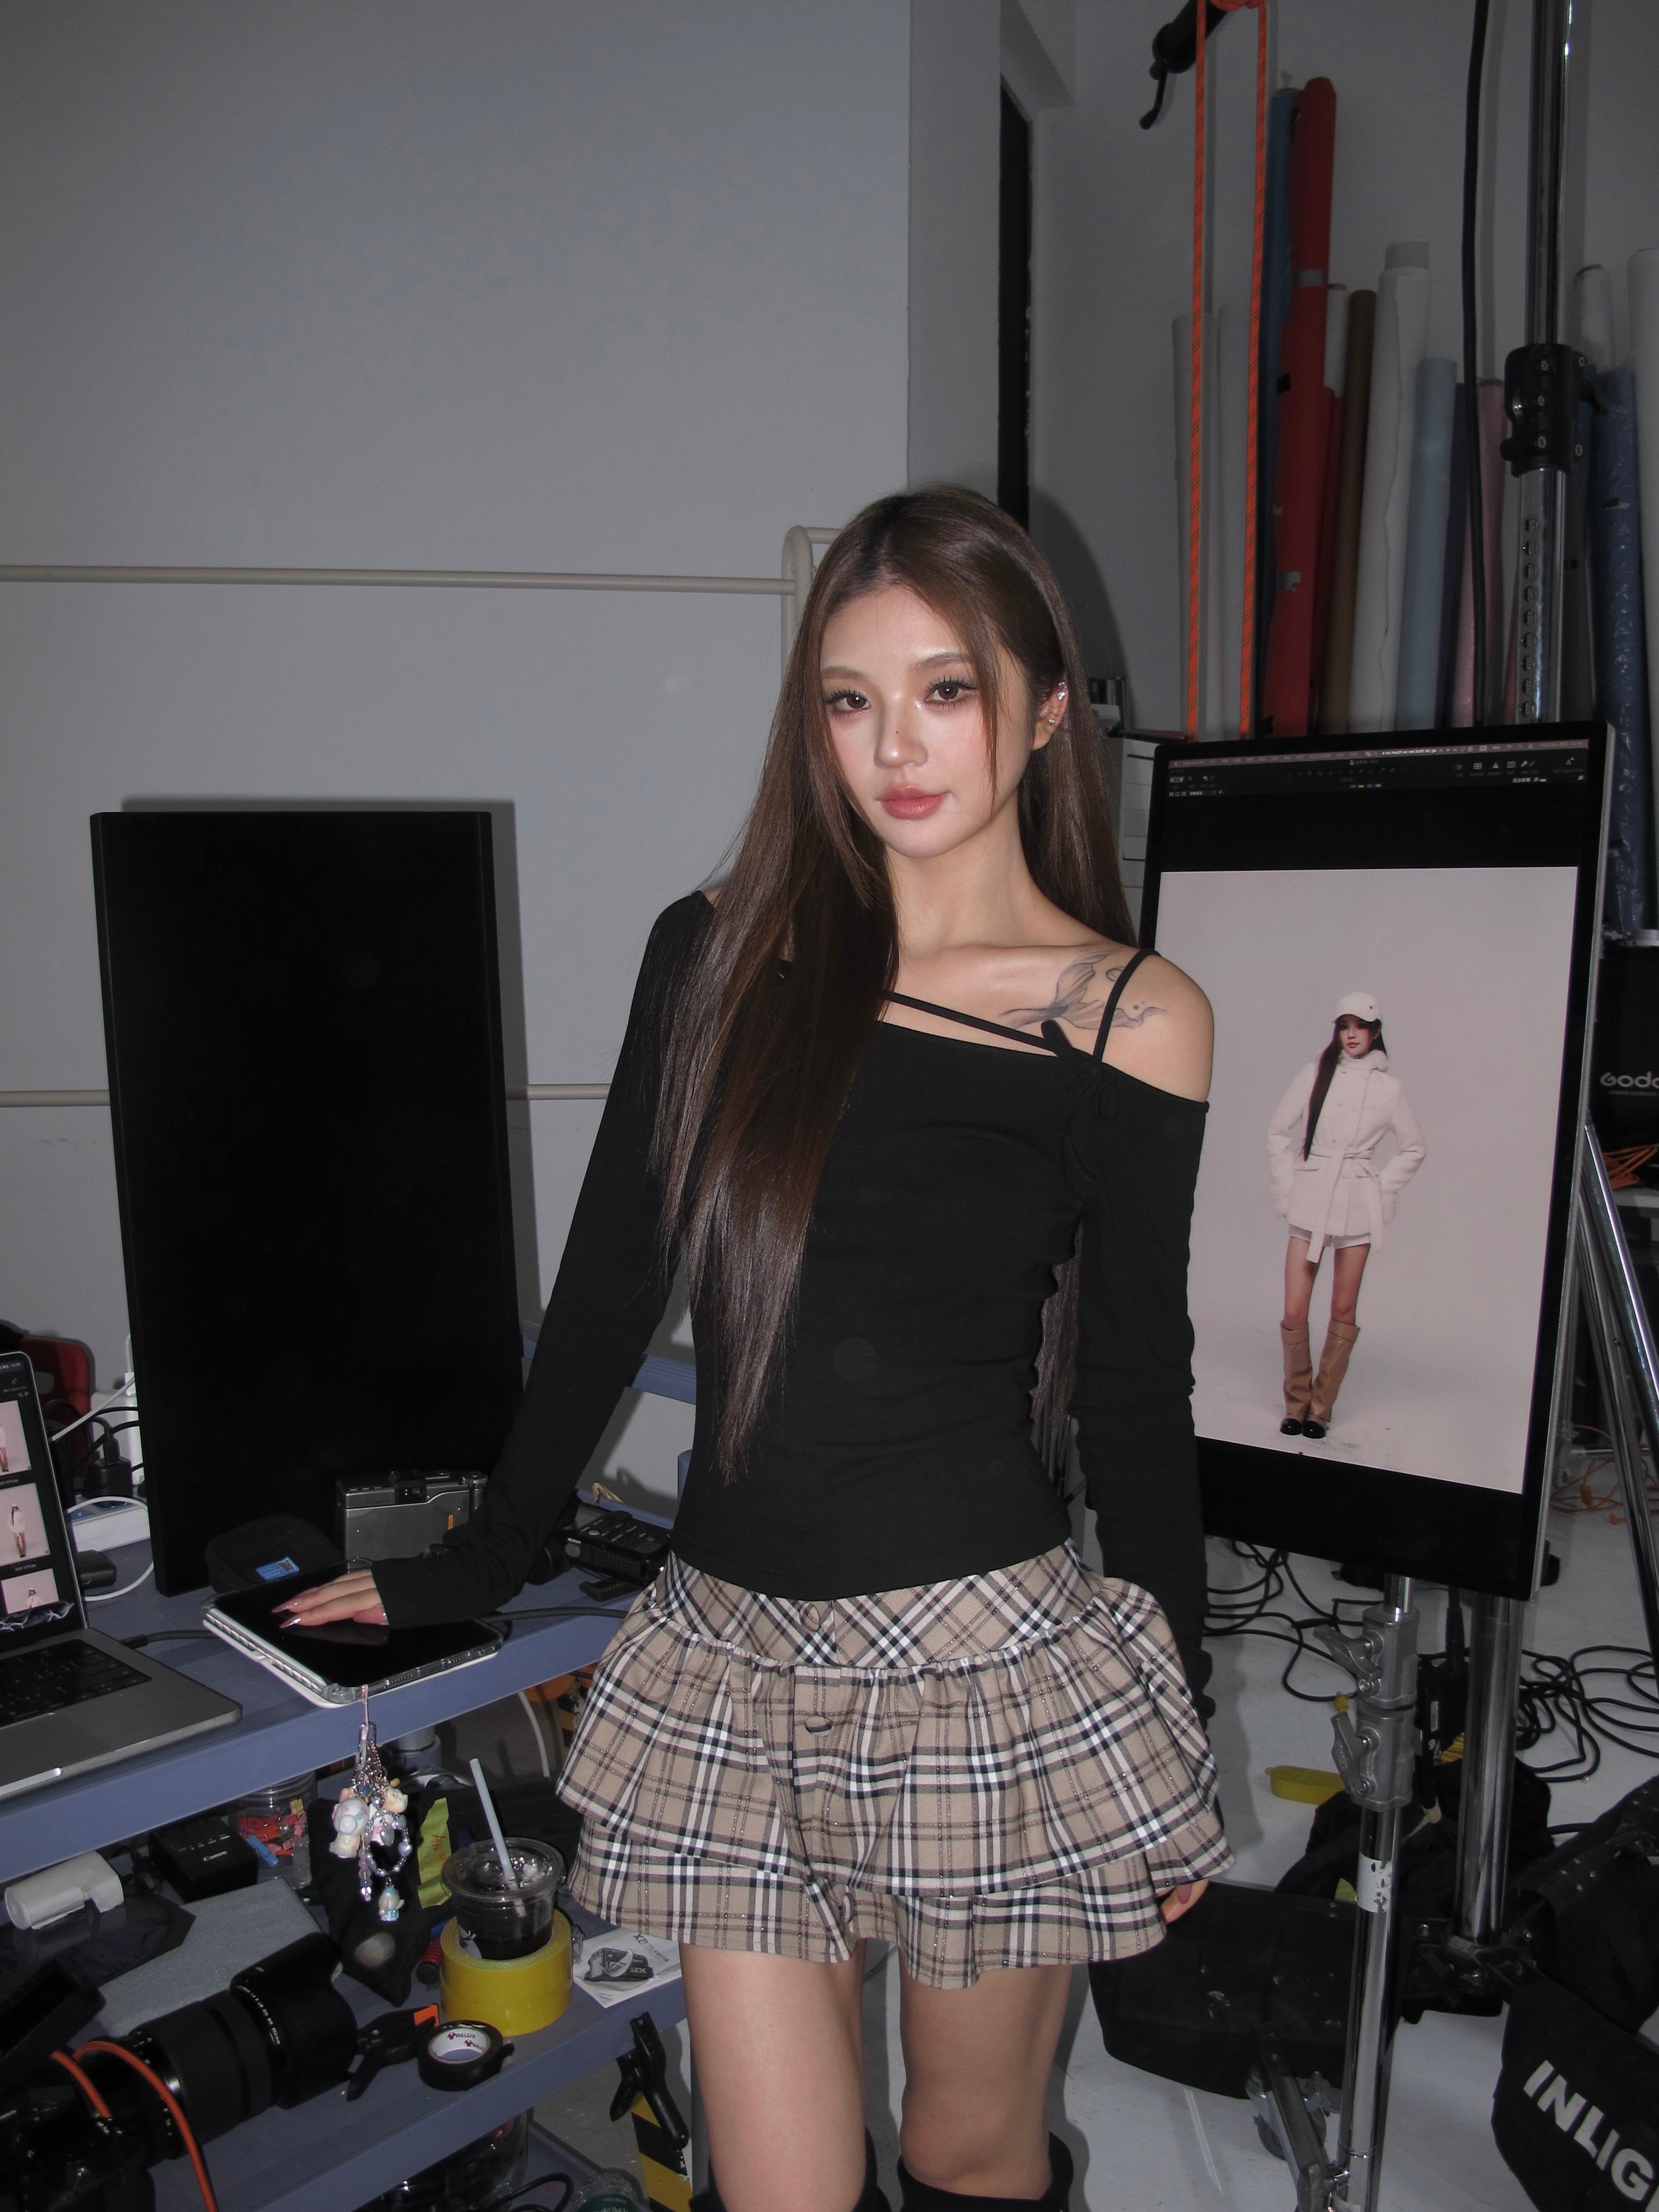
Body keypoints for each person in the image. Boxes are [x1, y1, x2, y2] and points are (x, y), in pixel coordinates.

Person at [282, 489, 1228, 2212]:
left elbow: (1133, 1397)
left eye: (944, 691)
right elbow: (607, 1286)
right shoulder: (717, 954)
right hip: (728, 1663)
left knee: (965, 2151)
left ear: (1042, 709)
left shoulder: (1127, 1013)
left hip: (986, 1672)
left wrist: (1170, 1729)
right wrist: (479, 1557)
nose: (894, 748)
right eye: (848, 700)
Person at [1267, 994, 1426, 1439]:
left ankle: (1320, 1408)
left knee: (1343, 1306)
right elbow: (1278, 1131)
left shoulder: (1389, 1090)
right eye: (1344, 1025)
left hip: (1357, 1197)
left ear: (1376, 1032)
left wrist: (1381, 1189)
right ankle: (1296, 1402)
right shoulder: (1315, 1073)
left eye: (1361, 1026)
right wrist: (1289, 1188)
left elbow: (1414, 1146)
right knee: (1294, 1310)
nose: (1352, 1034)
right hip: (1313, 1193)